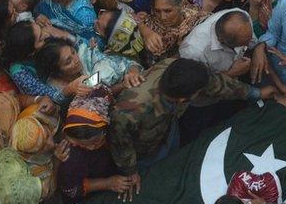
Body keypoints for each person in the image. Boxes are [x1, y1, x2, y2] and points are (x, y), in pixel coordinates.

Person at [109, 58, 276, 183]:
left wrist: (255, 93)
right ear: (185, 99)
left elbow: (215, 83)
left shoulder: (178, 69)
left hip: (169, 130)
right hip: (143, 152)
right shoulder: (129, 111)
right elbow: (120, 143)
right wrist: (130, 171)